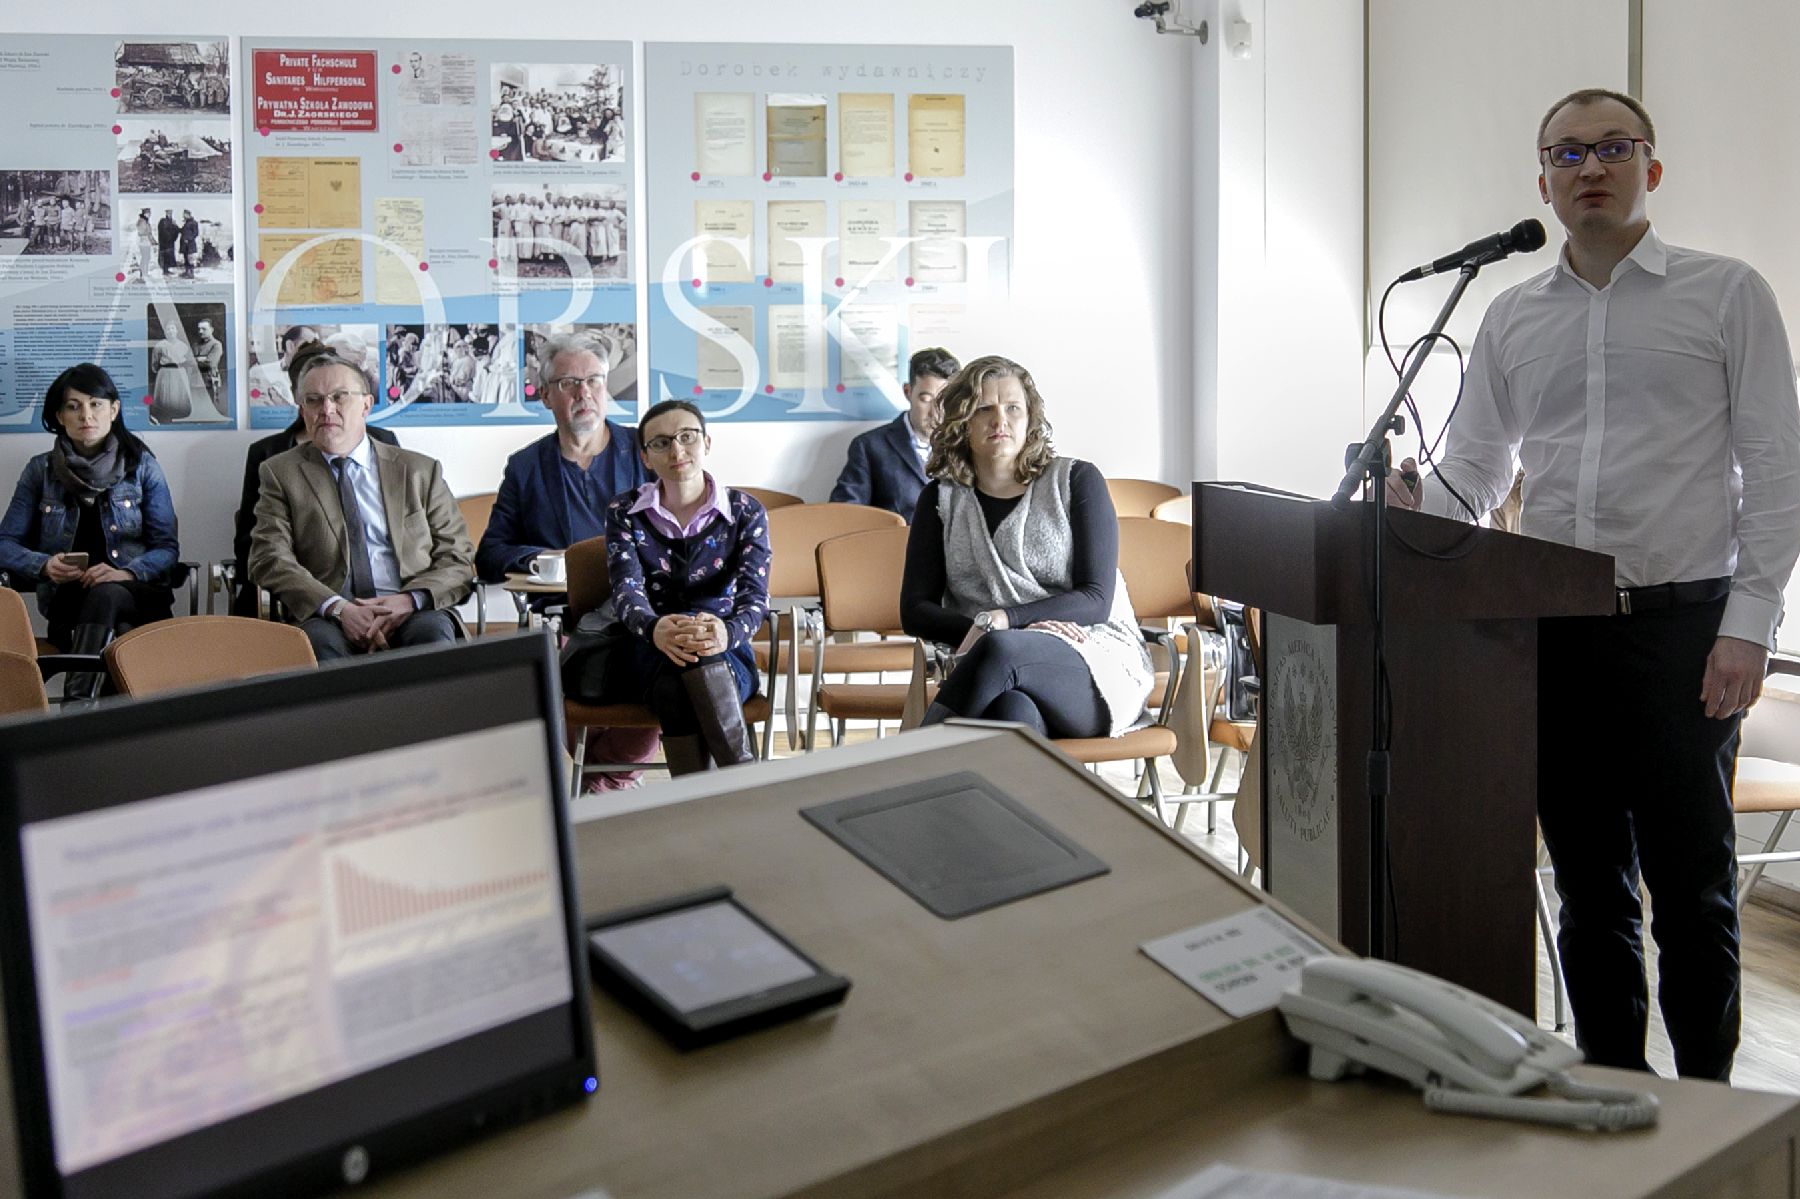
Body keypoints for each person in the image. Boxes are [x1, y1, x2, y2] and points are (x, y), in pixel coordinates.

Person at [1386, 88, 1800, 1082]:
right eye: (1567, 155)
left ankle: (1708, 1099)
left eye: (1613, 148)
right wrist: (1408, 498)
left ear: (1651, 168)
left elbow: (1777, 470)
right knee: (1586, 885)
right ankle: (1611, 1084)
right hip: (1555, 630)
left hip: (1686, 632)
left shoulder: (1726, 293)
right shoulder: (1510, 316)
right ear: (1542, 182)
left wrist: (1750, 624)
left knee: (1693, 888)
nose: (1590, 169)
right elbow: (1479, 473)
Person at [900, 355, 1152, 739]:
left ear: (1030, 417)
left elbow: (1097, 598)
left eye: (1013, 408)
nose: (1000, 421)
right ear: (961, 422)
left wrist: (1008, 621)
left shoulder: (1077, 480)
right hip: (993, 662)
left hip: (1093, 657)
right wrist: (992, 626)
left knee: (1002, 651)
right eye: (984, 409)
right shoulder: (940, 500)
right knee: (1010, 712)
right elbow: (915, 611)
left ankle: (907, 770)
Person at [248, 343, 474, 661]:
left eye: (340, 397)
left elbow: (457, 558)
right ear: (302, 411)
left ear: (366, 405)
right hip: (327, 613)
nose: (326, 410)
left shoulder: (419, 470)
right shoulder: (280, 473)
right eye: (313, 400)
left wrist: (409, 600)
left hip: (411, 607)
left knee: (433, 640)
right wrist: (339, 608)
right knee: (317, 650)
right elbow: (268, 557)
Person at [588, 400, 768, 775]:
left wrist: (725, 632)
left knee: (684, 676)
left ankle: (695, 805)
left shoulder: (747, 511)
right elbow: (627, 592)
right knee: (677, 675)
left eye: (687, 437)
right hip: (647, 649)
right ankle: (748, 785)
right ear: (645, 457)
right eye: (661, 443)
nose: (677, 450)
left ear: (707, 442)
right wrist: (655, 629)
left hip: (727, 649)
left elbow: (755, 597)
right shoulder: (625, 512)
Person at [0, 364, 180, 697]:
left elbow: (167, 549)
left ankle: (77, 706)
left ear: (114, 410)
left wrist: (126, 572)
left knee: (108, 593)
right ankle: (109, 731)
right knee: (123, 637)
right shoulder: (40, 471)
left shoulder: (142, 466)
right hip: (68, 604)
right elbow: (4, 544)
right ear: (59, 415)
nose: (86, 415)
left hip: (138, 596)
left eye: (96, 404)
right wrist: (43, 565)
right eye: (74, 406)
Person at [830, 346, 960, 520]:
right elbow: (845, 514)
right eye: (926, 399)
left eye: (944, 401)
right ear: (908, 392)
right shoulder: (869, 446)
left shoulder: (963, 445)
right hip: (894, 544)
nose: (935, 412)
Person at [146, 319, 195, 423]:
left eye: (172, 328)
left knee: (178, 394)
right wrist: (158, 371)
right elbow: (155, 362)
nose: (170, 331)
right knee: (165, 394)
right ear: (165, 331)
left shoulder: (183, 346)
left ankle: (180, 414)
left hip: (179, 372)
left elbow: (189, 362)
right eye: (168, 329)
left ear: (177, 330)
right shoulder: (160, 345)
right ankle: (164, 415)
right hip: (165, 372)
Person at [194, 318, 223, 408]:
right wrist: (202, 359)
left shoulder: (216, 344)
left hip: (209, 379)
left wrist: (196, 360)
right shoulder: (195, 345)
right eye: (199, 329)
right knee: (197, 407)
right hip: (195, 380)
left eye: (204, 329)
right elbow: (189, 361)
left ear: (211, 330)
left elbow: (211, 363)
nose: (200, 331)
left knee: (209, 407)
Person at [156, 208, 178, 276]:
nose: (170, 215)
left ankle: (167, 270)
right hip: (164, 243)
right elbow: (163, 232)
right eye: (168, 213)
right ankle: (165, 271)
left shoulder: (172, 222)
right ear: (166, 214)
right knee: (164, 257)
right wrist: (170, 237)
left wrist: (175, 226)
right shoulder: (163, 221)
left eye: (171, 213)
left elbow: (176, 231)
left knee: (169, 257)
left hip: (170, 243)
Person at [178, 210, 199, 277]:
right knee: (186, 258)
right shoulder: (186, 223)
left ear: (188, 215)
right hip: (185, 245)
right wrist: (177, 228)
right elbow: (183, 231)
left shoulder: (193, 223)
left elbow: (195, 233)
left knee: (190, 259)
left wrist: (188, 239)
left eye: (184, 214)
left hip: (190, 245)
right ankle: (187, 272)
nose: (183, 216)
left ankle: (191, 273)